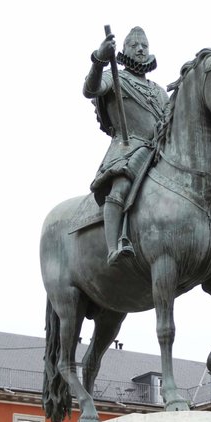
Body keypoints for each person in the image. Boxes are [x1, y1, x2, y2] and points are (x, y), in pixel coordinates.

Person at [84, 26, 169, 265]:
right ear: (123, 50)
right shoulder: (114, 78)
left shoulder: (159, 92)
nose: (141, 49)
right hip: (128, 150)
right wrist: (99, 59)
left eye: (144, 45)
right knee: (120, 187)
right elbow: (90, 89)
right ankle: (114, 247)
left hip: (160, 153)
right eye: (134, 45)